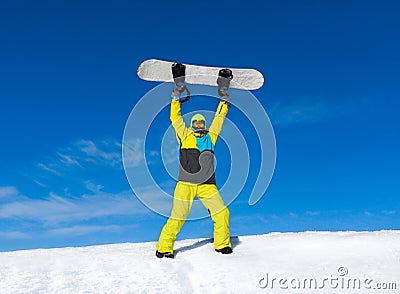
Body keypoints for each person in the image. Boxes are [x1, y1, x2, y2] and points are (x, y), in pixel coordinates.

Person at [155, 85, 232, 258]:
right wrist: (176, 97)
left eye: (201, 123)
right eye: (196, 123)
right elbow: (175, 118)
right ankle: (164, 247)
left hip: (207, 185)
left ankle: (222, 245)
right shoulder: (184, 134)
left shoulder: (210, 137)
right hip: (186, 184)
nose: (199, 125)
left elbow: (219, 120)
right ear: (192, 125)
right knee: (179, 215)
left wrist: (224, 101)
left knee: (222, 212)